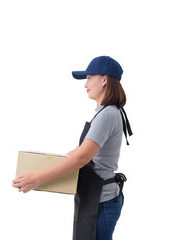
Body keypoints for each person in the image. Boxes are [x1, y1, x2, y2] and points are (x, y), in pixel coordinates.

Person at [12, 56, 132, 240]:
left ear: (105, 79)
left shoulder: (107, 115)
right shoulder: (106, 113)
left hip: (101, 201)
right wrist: (38, 174)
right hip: (96, 199)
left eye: (90, 77)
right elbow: (78, 152)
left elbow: (81, 159)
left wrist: (37, 178)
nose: (86, 84)